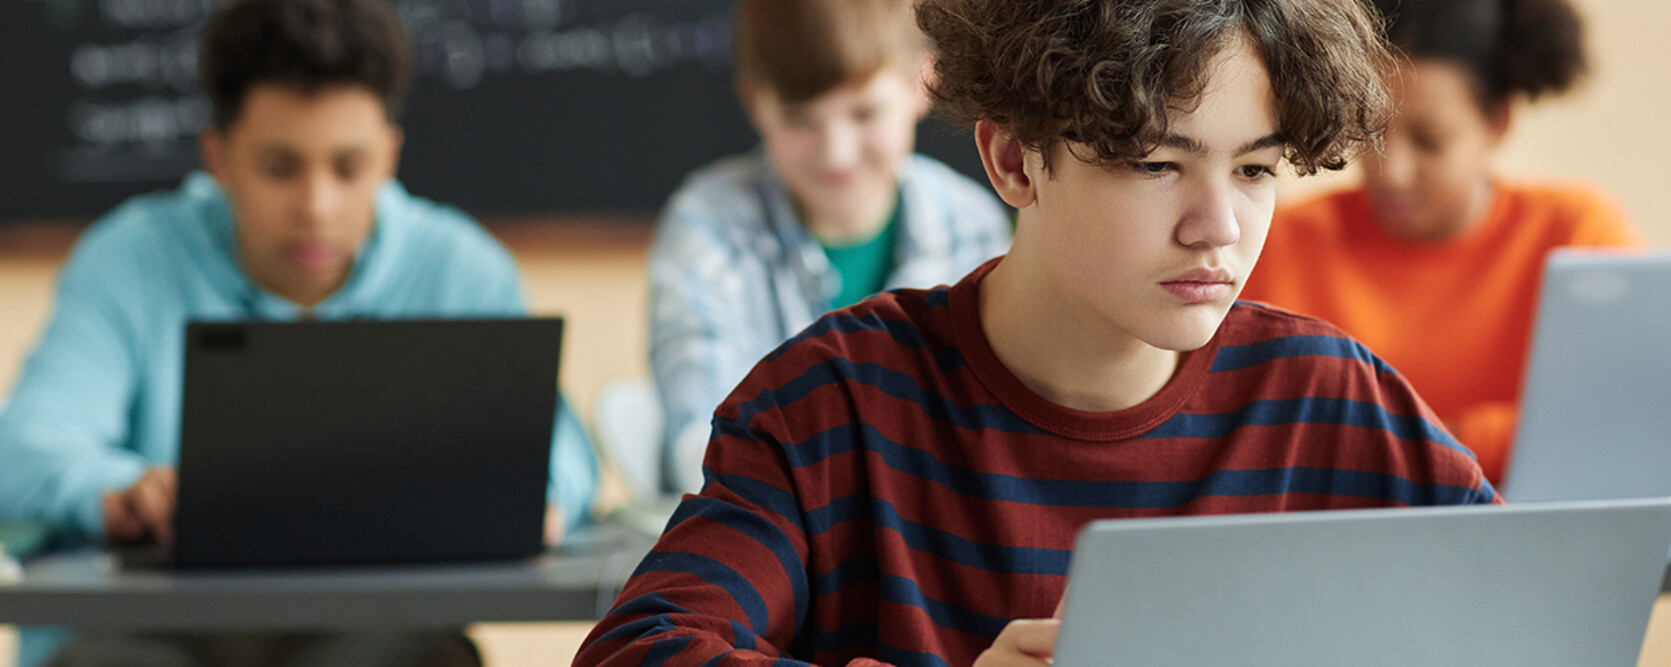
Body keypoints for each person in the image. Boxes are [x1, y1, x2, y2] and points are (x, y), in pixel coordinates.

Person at [576, 1, 1494, 666]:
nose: (1219, 225)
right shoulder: (831, 401)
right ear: (1015, 159)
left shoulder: (1331, 398)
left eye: (1255, 169)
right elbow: (638, 650)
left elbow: (1532, 618)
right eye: (1154, 163)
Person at [0, 0, 596, 663]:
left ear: (390, 156)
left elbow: (563, 456)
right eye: (280, 168)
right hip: (146, 637)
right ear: (218, 156)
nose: (317, 206)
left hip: (371, 633)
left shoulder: (459, 267)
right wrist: (120, 490)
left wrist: (537, 497)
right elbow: (24, 448)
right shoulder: (128, 258)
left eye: (348, 167)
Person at [1240, 0, 1644, 483]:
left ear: (1497, 124)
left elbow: (1621, 414)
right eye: (1370, 133)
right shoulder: (1285, 240)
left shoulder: (1577, 233)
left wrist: (1388, 448)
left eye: (1429, 140)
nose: (1393, 173)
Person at [646, 0, 1011, 495]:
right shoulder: (706, 229)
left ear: (921, 83)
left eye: (864, 112)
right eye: (800, 120)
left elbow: (996, 430)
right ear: (755, 104)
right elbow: (704, 448)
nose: (836, 151)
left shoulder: (972, 225)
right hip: (777, 538)